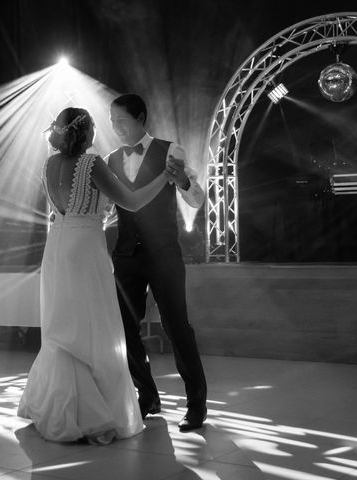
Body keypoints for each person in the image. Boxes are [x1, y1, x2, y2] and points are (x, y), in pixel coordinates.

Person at [17, 107, 169, 445]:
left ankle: (55, 409)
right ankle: (93, 414)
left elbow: (64, 208)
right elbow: (130, 202)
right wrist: (164, 178)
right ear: (86, 132)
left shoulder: (48, 165)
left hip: (57, 246)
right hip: (85, 247)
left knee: (62, 327)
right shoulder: (90, 163)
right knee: (93, 327)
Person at [106, 93, 208, 432]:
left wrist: (181, 181)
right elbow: (112, 209)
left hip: (163, 253)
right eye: (112, 122)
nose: (116, 127)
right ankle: (147, 395)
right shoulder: (110, 160)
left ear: (141, 118)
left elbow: (196, 198)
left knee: (177, 326)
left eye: (121, 120)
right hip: (125, 256)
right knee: (124, 328)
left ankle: (196, 405)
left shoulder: (170, 150)